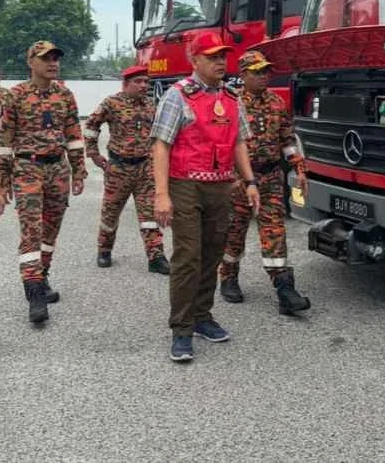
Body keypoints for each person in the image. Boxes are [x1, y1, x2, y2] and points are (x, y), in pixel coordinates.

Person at [151, 31, 260, 363]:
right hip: (186, 185)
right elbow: (161, 145)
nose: (219, 62)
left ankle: (202, 316)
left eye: (222, 57)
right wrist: (162, 194)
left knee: (213, 255)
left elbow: (239, 141)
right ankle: (181, 329)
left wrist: (250, 180)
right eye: (212, 57)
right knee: (188, 257)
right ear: (194, 60)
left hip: (221, 186)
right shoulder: (177, 96)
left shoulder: (231, 97)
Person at [0, 41, 87, 324]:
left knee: (51, 230)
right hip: (26, 168)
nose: (53, 63)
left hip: (57, 168)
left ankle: (42, 276)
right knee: (32, 231)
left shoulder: (65, 95)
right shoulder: (16, 96)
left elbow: (73, 135)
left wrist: (78, 170)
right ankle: (33, 292)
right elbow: (4, 142)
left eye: (56, 58)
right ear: (30, 62)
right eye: (46, 58)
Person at [219, 50, 311, 314]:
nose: (264, 76)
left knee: (274, 231)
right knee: (234, 231)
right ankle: (228, 277)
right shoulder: (230, 103)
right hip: (239, 180)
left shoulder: (276, 103)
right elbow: (220, 144)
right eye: (257, 72)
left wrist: (299, 169)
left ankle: (284, 288)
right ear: (243, 75)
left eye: (266, 71)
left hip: (270, 178)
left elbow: (288, 140)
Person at [83, 64, 170, 274]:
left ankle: (155, 256)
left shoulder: (151, 105)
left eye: (146, 82)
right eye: (138, 82)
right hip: (118, 168)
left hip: (145, 169)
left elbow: (159, 136)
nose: (143, 86)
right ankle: (104, 250)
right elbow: (91, 125)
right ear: (125, 84)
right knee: (110, 213)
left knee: (149, 215)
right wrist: (93, 153)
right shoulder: (111, 103)